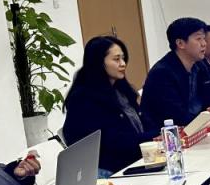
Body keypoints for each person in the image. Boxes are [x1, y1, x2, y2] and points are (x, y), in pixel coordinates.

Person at [62, 35, 154, 175]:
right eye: (116, 59)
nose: (123, 64)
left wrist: (157, 134)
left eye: (123, 58)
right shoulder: (84, 98)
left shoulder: (121, 90)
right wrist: (152, 137)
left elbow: (142, 121)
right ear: (99, 62)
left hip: (135, 159)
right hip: (108, 169)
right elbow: (113, 141)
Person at [140, 18, 210, 136]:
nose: (204, 43)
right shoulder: (162, 73)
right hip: (169, 138)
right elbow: (177, 116)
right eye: (198, 39)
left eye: (204, 38)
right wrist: (209, 121)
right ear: (180, 43)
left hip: (195, 130)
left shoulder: (198, 65)